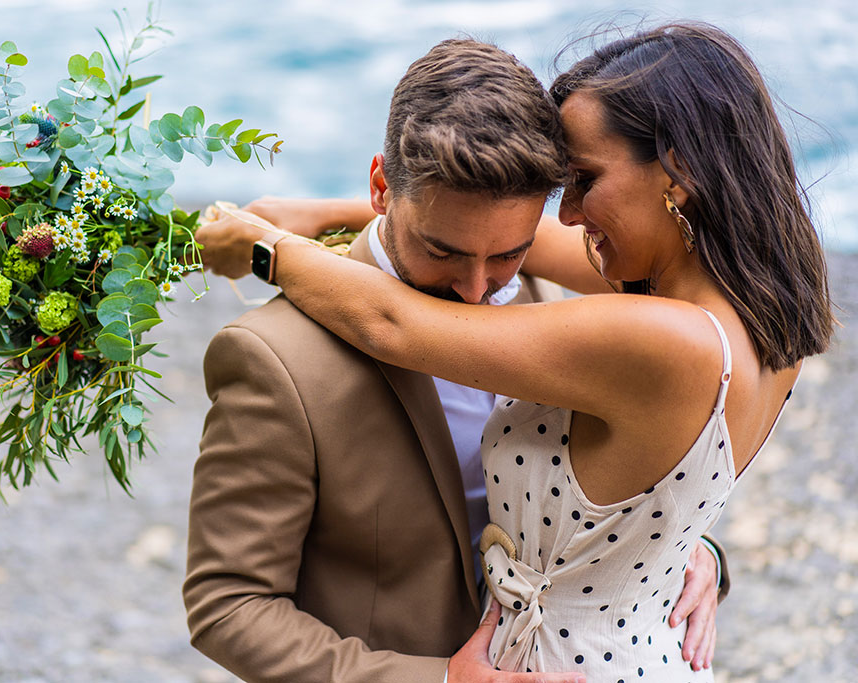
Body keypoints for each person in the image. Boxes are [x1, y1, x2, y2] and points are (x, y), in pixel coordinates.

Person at [192, 23, 833, 682]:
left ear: (679, 171)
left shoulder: (653, 338)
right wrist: (669, 552)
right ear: (387, 190)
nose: (571, 215)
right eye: (447, 248)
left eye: (582, 180)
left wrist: (264, 247)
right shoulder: (765, 308)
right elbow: (228, 604)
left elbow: (392, 322)